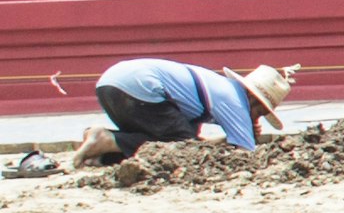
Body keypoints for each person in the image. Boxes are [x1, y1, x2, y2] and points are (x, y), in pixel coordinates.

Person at [74, 58, 293, 163]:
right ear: (255, 102)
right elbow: (245, 152)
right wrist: (246, 134)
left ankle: (102, 154)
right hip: (142, 87)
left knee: (160, 139)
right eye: (261, 113)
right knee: (182, 150)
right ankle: (107, 141)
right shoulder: (235, 101)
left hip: (112, 84)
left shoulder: (214, 90)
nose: (257, 118)